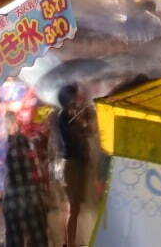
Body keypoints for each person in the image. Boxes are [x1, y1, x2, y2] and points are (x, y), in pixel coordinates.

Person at [1, 104, 52, 247]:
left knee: (14, 241)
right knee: (38, 239)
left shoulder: (1, 146)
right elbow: (38, 169)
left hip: (12, 201)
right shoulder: (25, 141)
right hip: (32, 199)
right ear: (14, 123)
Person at [56, 84, 97, 247]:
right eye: (74, 97)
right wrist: (80, 124)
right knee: (72, 207)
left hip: (78, 164)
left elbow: (88, 132)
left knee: (76, 207)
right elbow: (73, 139)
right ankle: (68, 243)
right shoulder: (64, 116)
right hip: (72, 164)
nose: (77, 100)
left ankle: (70, 241)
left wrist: (84, 122)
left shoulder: (74, 114)